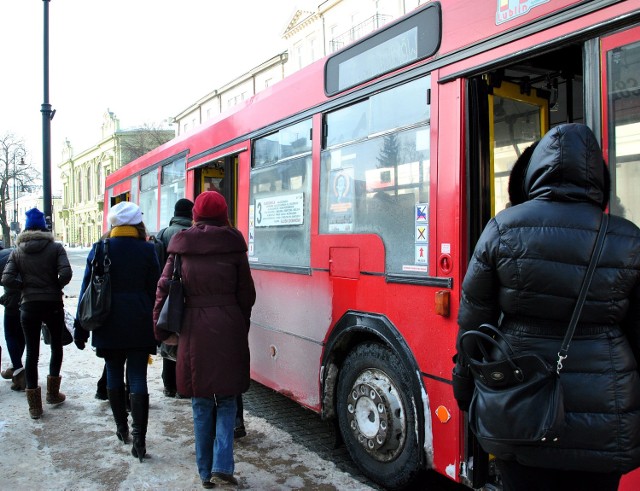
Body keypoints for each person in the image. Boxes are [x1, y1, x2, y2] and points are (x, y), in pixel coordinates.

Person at [453, 123, 640, 491]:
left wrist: (465, 385)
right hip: (607, 408)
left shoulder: (503, 229)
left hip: (519, 401)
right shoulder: (628, 238)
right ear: (597, 177)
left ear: (536, 172)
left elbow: (474, 324)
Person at [153, 191, 255, 488]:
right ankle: (223, 465)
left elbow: (163, 290)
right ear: (224, 213)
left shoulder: (181, 247)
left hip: (193, 329)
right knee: (226, 399)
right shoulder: (234, 245)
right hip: (229, 327)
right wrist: (239, 323)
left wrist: (162, 332)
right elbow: (247, 295)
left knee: (200, 401)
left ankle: (204, 470)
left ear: (196, 214)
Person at [74, 201, 160, 462]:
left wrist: (80, 326)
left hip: (107, 320)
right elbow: (156, 289)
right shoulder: (148, 250)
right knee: (137, 376)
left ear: (112, 224)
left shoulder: (100, 248)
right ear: (137, 223)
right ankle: (140, 440)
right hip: (139, 321)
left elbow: (86, 290)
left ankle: (122, 429)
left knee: (113, 373)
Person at [1, 208, 72, 419]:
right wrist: (55, 286)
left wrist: (23, 286)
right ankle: (52, 394)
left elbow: (6, 279)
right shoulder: (56, 248)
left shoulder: (18, 251)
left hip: (28, 306)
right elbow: (66, 273)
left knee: (31, 352)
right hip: (52, 304)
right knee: (56, 346)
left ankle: (34, 406)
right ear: (44, 227)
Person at [154, 198, 194, 398]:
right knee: (184, 340)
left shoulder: (162, 233)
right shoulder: (190, 234)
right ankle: (182, 385)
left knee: (168, 339)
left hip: (166, 293)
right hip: (184, 295)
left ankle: (169, 385)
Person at [0, 245, 26, 391]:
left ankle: (18, 370)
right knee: (21, 333)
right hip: (27, 297)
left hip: (13, 299)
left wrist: (5, 297)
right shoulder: (12, 251)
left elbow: (7, 279)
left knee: (10, 334)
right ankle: (15, 367)